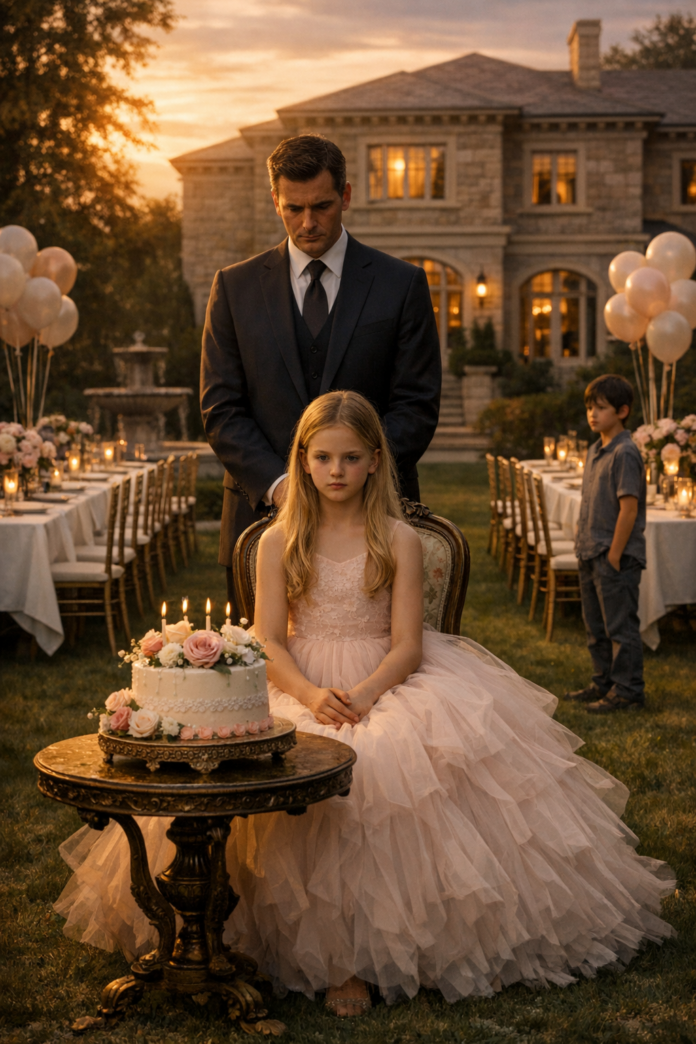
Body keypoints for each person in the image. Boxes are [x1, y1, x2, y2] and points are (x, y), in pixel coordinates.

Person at [56, 391, 674, 1018]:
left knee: (377, 767)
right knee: (285, 764)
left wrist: (367, 693)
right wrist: (309, 693)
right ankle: (263, 939)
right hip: (296, 681)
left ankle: (356, 959)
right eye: (323, 457)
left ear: (376, 461)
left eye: (351, 458)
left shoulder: (398, 539)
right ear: (303, 459)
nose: (336, 471)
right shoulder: (279, 540)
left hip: (389, 679)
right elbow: (268, 638)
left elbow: (408, 644)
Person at [199, 133, 441, 615]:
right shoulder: (234, 287)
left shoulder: (401, 284)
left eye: (322, 206)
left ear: (346, 195)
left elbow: (416, 403)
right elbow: (220, 407)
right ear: (275, 201)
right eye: (293, 208)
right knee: (259, 678)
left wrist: (354, 480)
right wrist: (284, 486)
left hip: (375, 523)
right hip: (261, 519)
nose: (307, 222)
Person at [564, 375, 647, 714]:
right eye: (589, 408)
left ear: (622, 411)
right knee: (595, 627)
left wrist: (614, 555)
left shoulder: (625, 453)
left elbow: (628, 509)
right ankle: (603, 681)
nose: (592, 414)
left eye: (600, 408)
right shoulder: (595, 449)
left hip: (614, 557)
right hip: (590, 550)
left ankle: (628, 691)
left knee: (620, 627)